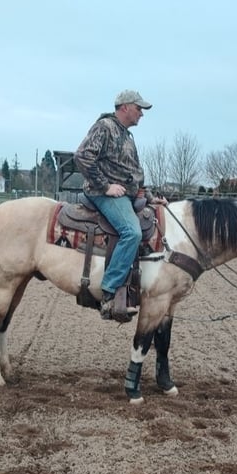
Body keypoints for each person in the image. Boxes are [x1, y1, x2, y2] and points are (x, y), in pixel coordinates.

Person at [74, 89, 168, 322]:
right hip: (102, 193)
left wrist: (149, 197)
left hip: (124, 194)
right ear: (125, 107)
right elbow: (83, 156)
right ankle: (109, 292)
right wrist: (105, 187)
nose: (142, 114)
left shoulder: (126, 135)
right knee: (131, 232)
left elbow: (133, 174)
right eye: (139, 109)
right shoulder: (105, 127)